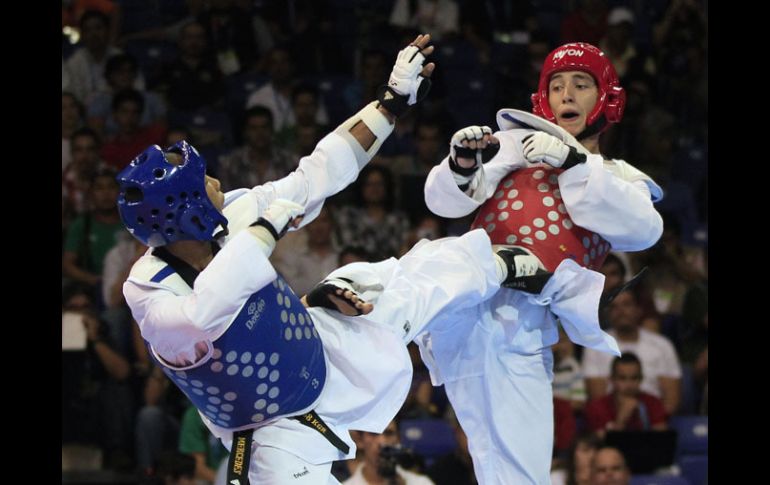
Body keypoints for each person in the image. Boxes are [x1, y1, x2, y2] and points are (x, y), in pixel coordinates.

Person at [119, 35, 536, 484]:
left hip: (322, 350)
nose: (217, 179)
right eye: (204, 182)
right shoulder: (148, 290)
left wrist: (390, 103)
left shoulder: (232, 216)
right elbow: (204, 316)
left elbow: (316, 173)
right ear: (188, 211)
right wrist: (263, 232)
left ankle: (503, 265)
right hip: (274, 431)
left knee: (408, 278)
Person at [414, 42, 664, 484]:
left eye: (581, 85)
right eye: (557, 85)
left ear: (607, 98)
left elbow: (644, 229)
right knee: (425, 274)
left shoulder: (619, 177)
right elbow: (443, 201)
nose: (565, 95)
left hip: (521, 326)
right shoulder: (514, 145)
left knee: (518, 472)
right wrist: (461, 166)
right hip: (462, 289)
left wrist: (573, 163)